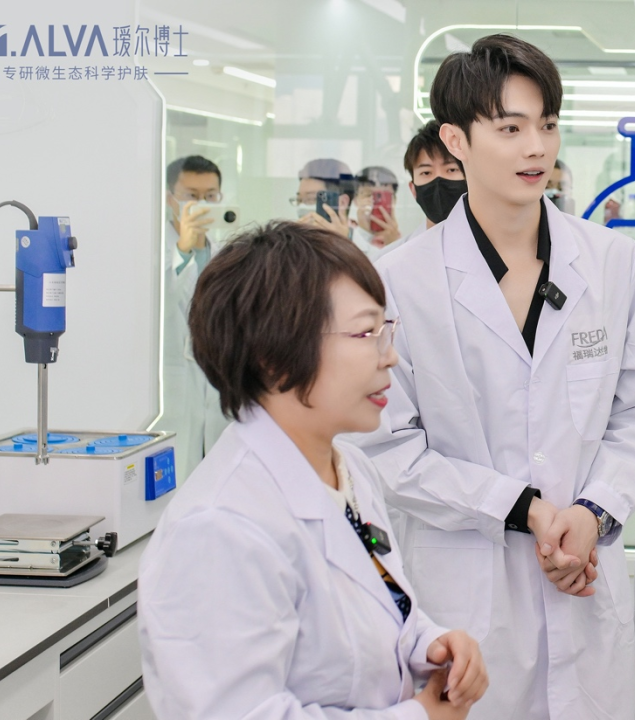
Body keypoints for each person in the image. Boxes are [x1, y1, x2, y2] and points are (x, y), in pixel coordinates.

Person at [353, 34, 635, 719]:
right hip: (466, 597)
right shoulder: (399, 281)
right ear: (456, 141)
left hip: (585, 581)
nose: (537, 148)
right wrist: (519, 508)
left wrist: (592, 511)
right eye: (510, 129)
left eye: (547, 125)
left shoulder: (612, 262)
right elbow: (385, 447)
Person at [139, 220, 489, 719]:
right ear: (273, 358)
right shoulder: (219, 529)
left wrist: (428, 645)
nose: (390, 357)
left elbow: (377, 600)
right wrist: (421, 716)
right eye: (366, 333)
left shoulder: (348, 470)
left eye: (386, 330)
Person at [156, 155, 231, 480]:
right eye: (191, 196)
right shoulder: (154, 251)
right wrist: (183, 251)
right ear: (169, 198)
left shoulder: (227, 254)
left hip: (216, 397)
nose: (201, 204)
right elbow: (158, 305)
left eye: (210, 196)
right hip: (171, 395)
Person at [379, 121, 468, 258]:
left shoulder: (497, 252)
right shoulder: (388, 261)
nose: (438, 180)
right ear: (413, 189)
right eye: (426, 172)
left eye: (451, 169)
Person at [295, 157, 356, 238]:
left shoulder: (363, 244)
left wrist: (340, 241)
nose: (302, 207)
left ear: (342, 203)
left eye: (310, 199)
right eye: (299, 200)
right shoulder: (292, 241)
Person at [353, 165, 402, 258]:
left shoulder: (407, 242)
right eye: (368, 195)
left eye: (384, 196)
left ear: (394, 200)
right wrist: (364, 233)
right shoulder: (346, 235)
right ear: (355, 200)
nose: (375, 202)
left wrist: (393, 244)